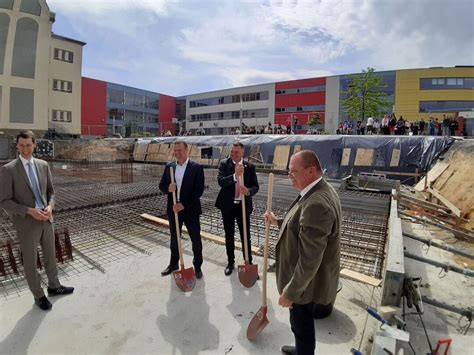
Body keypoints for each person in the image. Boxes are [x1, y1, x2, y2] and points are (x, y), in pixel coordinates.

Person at [265, 150, 342, 355]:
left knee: (301, 324)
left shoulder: (317, 203)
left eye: (293, 172)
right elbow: (303, 227)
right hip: (306, 280)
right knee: (301, 323)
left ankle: (304, 352)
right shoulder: (320, 190)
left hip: (305, 284)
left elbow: (309, 260)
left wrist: (291, 292)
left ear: (310, 171)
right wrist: (278, 222)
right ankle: (301, 350)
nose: (290, 177)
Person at [0, 130, 74, 311]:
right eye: (22, 145)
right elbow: (4, 201)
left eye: (28, 145)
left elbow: (51, 192)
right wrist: (28, 211)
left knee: (50, 255)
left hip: (46, 219)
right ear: (17, 145)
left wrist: (50, 206)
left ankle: (54, 286)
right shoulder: (9, 169)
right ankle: (38, 295)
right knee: (31, 262)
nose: (25, 149)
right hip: (26, 223)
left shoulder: (43, 165)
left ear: (34, 144)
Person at [159, 141, 205, 279]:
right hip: (174, 209)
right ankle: (174, 264)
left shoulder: (196, 167)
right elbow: (161, 185)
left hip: (190, 210)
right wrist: (168, 189)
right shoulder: (169, 167)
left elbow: (198, 191)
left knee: (195, 240)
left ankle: (197, 267)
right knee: (174, 239)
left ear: (187, 150)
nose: (177, 152)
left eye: (180, 150)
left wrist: (183, 204)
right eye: (175, 150)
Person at [215, 142, 259, 276]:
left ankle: (248, 263)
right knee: (229, 235)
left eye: (237, 152)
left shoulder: (250, 167)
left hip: (243, 205)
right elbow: (221, 181)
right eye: (232, 152)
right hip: (228, 205)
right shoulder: (224, 164)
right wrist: (235, 176)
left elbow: (255, 186)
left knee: (245, 236)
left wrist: (248, 191)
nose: (234, 155)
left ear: (242, 153)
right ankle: (230, 262)